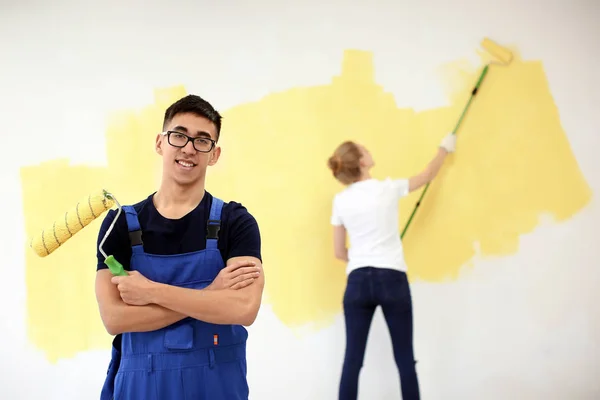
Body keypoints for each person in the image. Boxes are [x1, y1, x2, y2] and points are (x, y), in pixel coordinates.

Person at [94, 94, 265, 400]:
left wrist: (151, 292)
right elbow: (115, 319)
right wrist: (210, 295)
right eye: (179, 135)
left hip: (217, 385)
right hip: (141, 387)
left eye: (202, 140)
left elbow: (244, 308)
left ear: (214, 154)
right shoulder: (118, 225)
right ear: (160, 143)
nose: (189, 148)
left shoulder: (236, 222)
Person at [327, 133, 456, 400]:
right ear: (362, 162)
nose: (369, 151)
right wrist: (444, 148)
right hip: (392, 280)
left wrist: (363, 256)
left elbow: (339, 252)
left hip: (358, 283)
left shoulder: (341, 201)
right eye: (364, 149)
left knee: (352, 361)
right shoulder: (388, 188)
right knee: (405, 360)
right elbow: (428, 174)